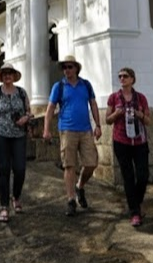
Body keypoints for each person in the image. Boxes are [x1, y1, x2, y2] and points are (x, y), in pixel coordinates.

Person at [42, 55, 102, 217]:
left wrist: (98, 125)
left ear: (76, 68)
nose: (67, 70)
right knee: (69, 165)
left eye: (70, 67)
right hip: (67, 129)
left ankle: (80, 185)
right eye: (64, 67)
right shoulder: (59, 86)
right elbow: (50, 109)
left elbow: (94, 105)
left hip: (85, 130)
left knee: (91, 163)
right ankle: (71, 199)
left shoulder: (86, 85)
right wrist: (46, 129)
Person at [0, 63, 32, 223]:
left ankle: (16, 196)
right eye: (5, 73)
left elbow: (28, 112)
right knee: (3, 169)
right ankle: (4, 206)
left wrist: (26, 118)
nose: (7, 76)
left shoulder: (22, 93)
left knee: (20, 169)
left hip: (18, 135)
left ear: (14, 75)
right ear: (1, 77)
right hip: (0, 134)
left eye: (10, 73)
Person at [105, 67, 151, 227]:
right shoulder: (113, 98)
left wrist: (140, 115)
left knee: (143, 175)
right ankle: (135, 212)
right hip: (121, 141)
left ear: (132, 79)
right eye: (120, 76)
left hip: (140, 142)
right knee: (128, 177)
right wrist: (116, 114)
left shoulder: (141, 98)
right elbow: (108, 120)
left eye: (125, 76)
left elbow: (148, 120)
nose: (122, 79)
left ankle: (136, 204)